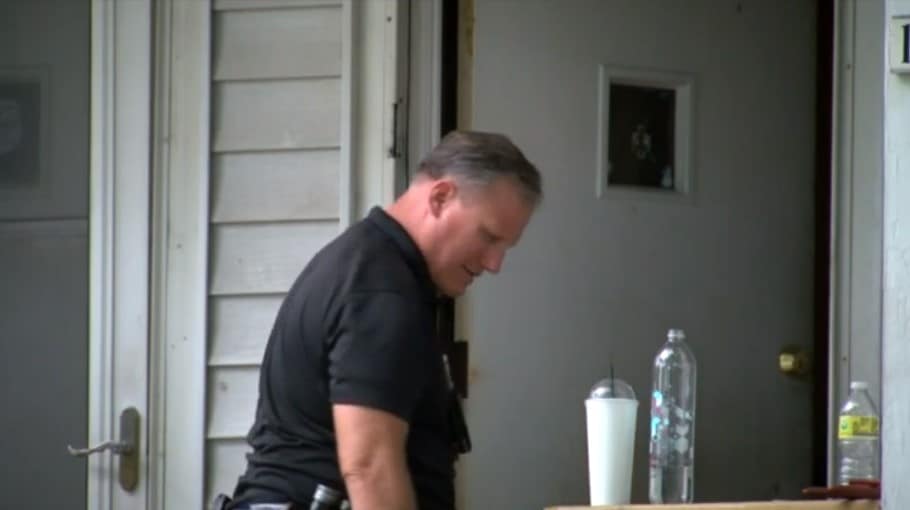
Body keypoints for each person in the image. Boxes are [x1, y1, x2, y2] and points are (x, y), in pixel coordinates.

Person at [225, 130, 542, 510]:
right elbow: (369, 467)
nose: (494, 264)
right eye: (488, 237)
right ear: (440, 197)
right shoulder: (381, 291)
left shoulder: (370, 266)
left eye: (505, 247)